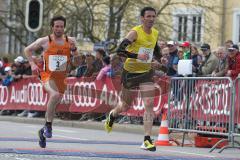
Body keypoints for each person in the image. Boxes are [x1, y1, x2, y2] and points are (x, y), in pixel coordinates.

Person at [104, 7, 160, 152]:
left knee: (149, 103)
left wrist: (158, 60)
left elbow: (156, 51)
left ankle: (147, 140)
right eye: (148, 16)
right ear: (142, 18)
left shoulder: (155, 33)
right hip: (130, 72)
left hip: (146, 73)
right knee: (125, 106)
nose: (151, 19)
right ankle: (112, 114)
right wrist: (137, 56)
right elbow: (120, 51)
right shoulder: (135, 32)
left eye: (153, 16)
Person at [24, 16, 78, 148]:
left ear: (64, 27)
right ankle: (48, 126)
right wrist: (32, 63)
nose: (59, 29)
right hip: (47, 75)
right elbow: (27, 50)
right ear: (52, 27)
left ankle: (43, 131)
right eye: (56, 26)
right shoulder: (44, 41)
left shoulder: (70, 40)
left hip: (61, 77)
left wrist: (74, 50)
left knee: (54, 104)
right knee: (54, 95)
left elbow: (77, 60)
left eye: (61, 26)